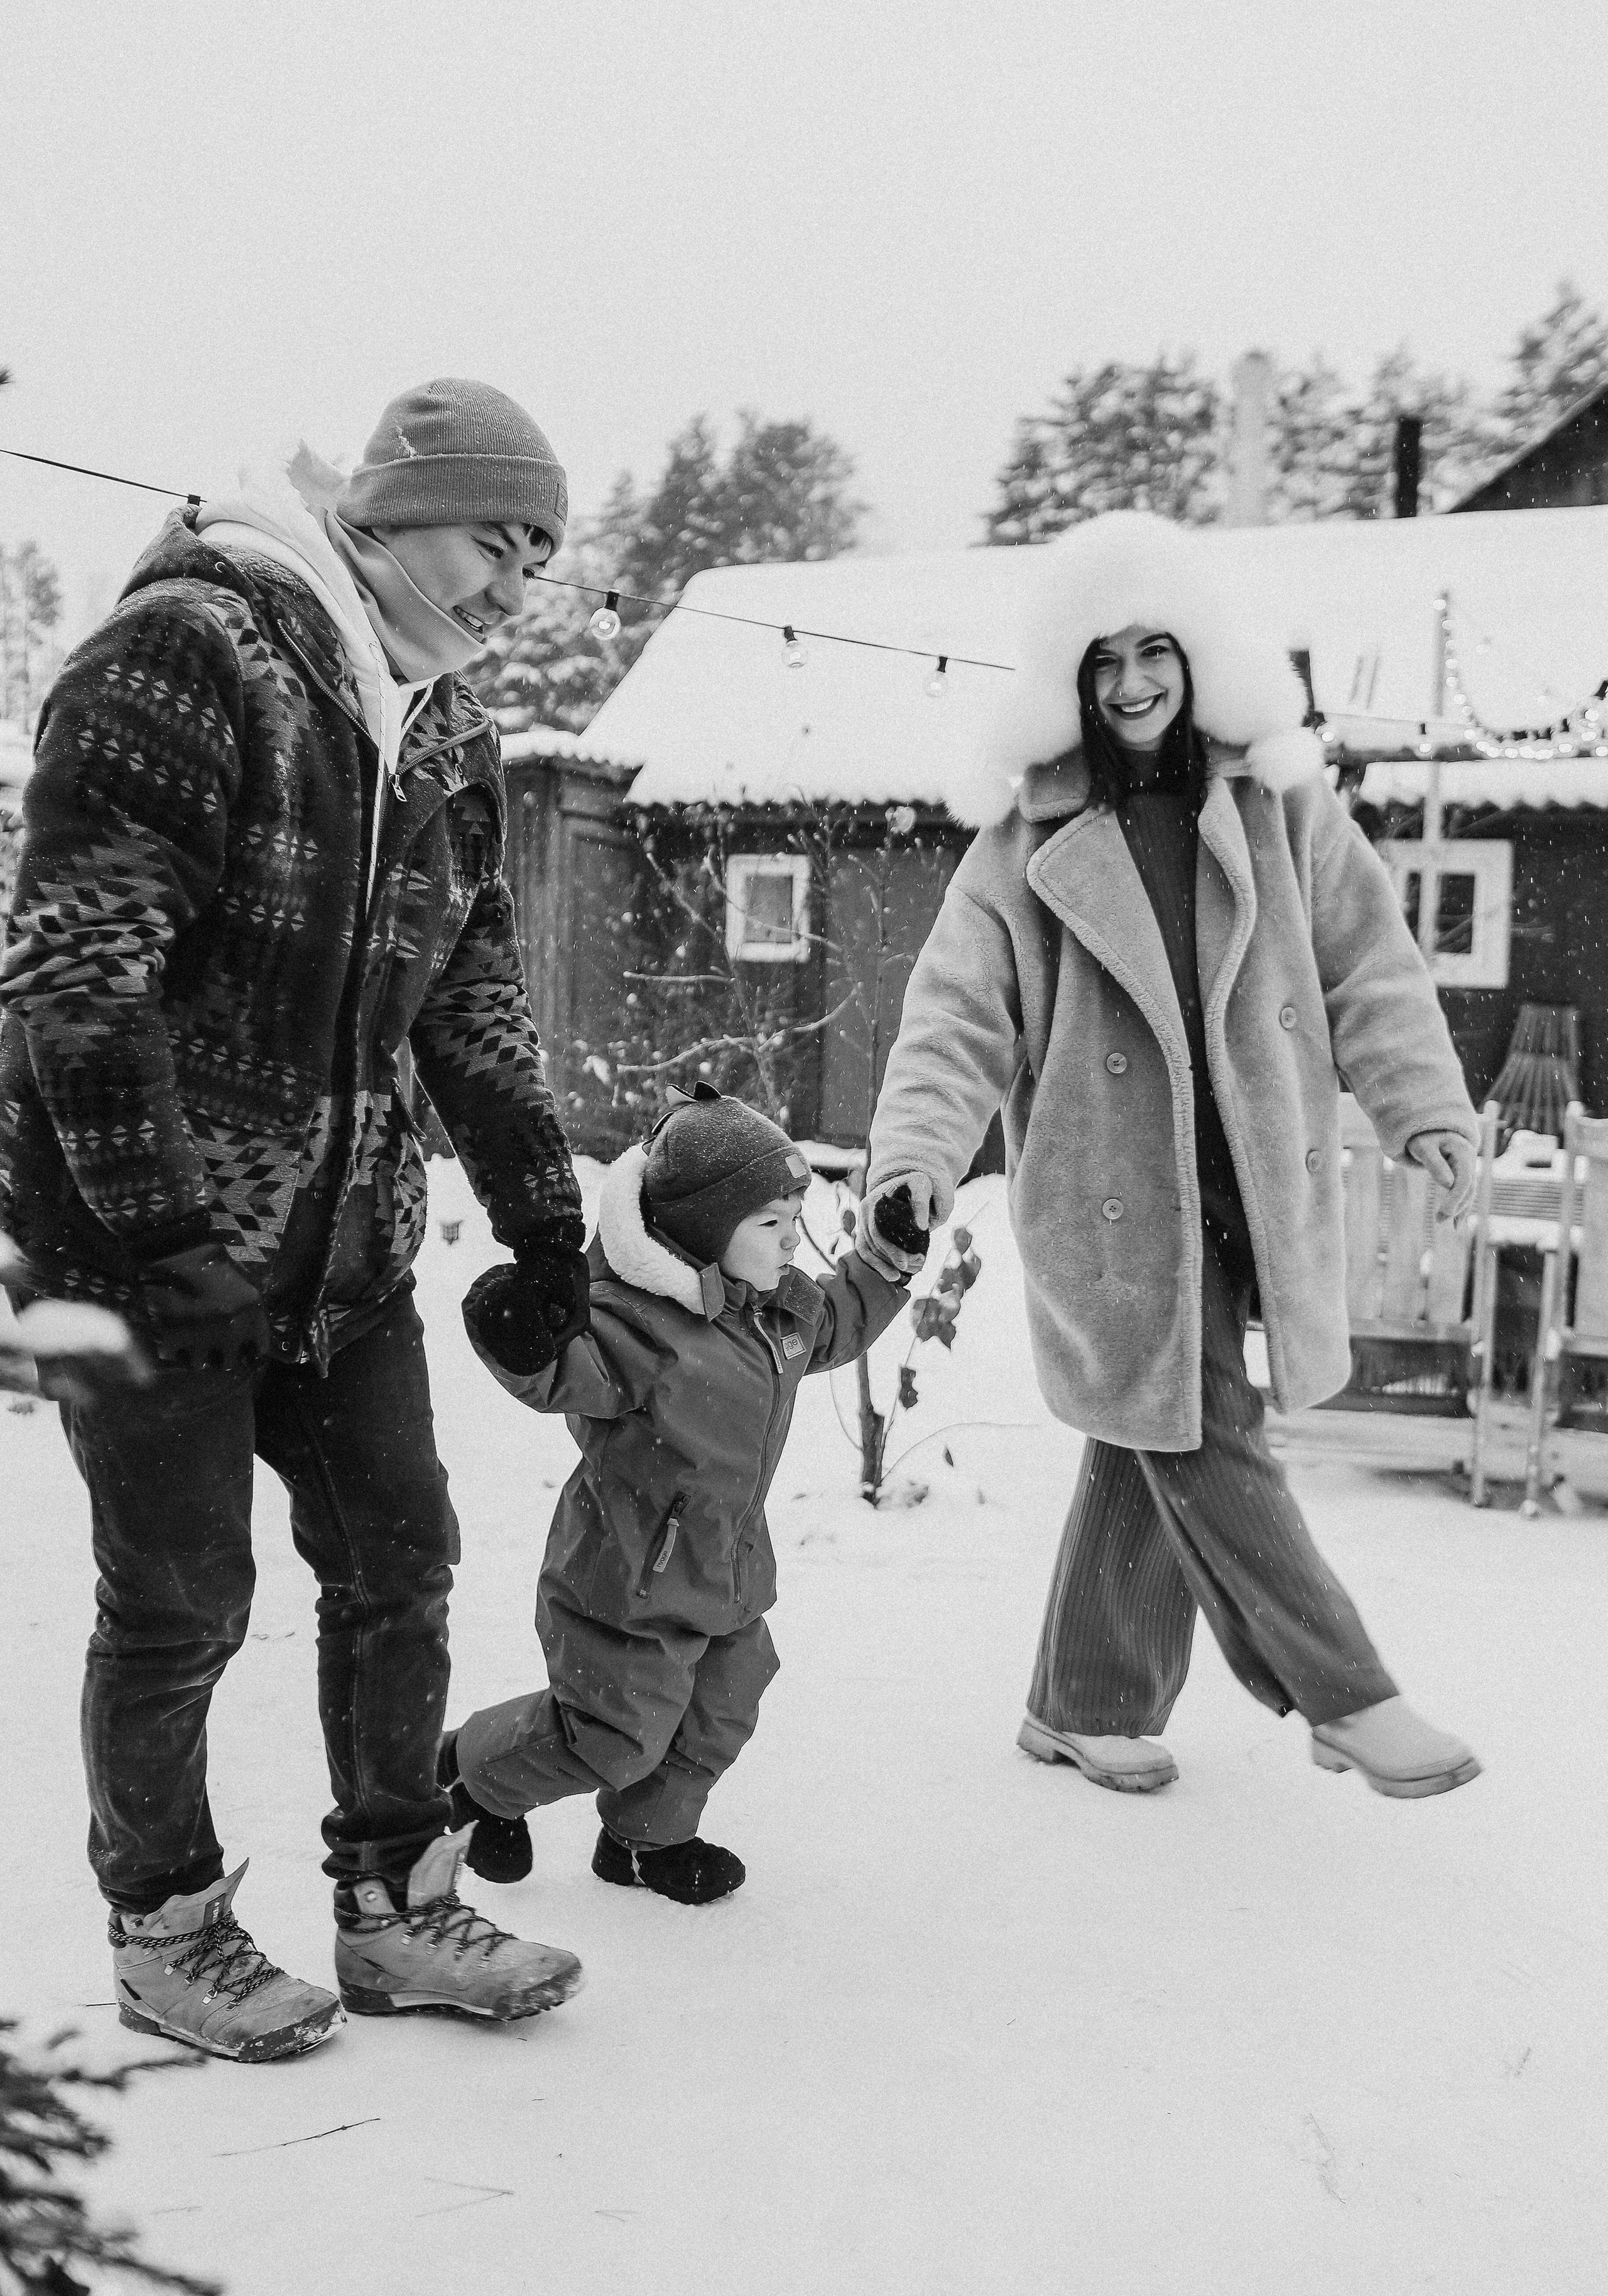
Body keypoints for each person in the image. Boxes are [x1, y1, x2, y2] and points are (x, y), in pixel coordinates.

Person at [0, 379, 593, 2059]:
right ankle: (168, 1921)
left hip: (345, 1257)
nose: (512, 589)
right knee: (181, 1598)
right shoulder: (191, 656)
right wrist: (163, 1230)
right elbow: (73, 974)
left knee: (400, 1560)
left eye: (540, 563)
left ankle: (396, 1908)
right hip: (149, 1259)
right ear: (396, 513)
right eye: (498, 541)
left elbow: (467, 1003)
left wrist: (546, 1219)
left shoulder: (449, 735)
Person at [857, 511, 1482, 1802]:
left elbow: (1368, 961)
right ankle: (1345, 1692)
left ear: (1197, 658)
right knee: (1207, 1429)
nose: (1132, 682)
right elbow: (954, 1016)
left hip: (1255, 1184)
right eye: (1102, 661)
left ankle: (1079, 1702)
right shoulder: (1022, 848)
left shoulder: (1275, 810)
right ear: (1066, 682)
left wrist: (1423, 1106)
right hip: (1110, 1205)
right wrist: (914, 1155)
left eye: (1155, 650)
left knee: (1151, 1428)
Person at [442, 1083, 912, 1903]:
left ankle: (643, 1841)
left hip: (724, 1575)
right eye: (769, 1224)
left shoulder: (779, 1309)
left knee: (721, 1705)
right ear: (703, 1230)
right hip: (625, 1582)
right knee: (613, 1735)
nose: (792, 1240)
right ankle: (469, 1775)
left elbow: (837, 1321)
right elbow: (563, 1371)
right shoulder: (637, 1324)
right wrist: (519, 1335)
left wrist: (889, 1258)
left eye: (794, 1219)